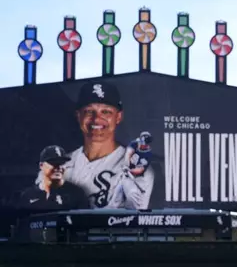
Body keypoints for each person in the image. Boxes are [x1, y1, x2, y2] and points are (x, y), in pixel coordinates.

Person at [63, 81, 154, 209]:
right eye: (89, 111)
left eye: (106, 112)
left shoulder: (137, 167)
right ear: (78, 116)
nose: (96, 119)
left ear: (118, 116)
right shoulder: (60, 165)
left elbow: (134, 219)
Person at [18, 145, 88, 212]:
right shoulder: (28, 195)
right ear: (41, 165)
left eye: (62, 163)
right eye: (54, 163)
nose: (59, 167)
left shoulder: (76, 194)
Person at [107, 131, 154, 209]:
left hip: (138, 178)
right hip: (127, 172)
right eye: (141, 142)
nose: (141, 144)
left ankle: (136, 211)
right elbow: (128, 153)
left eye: (144, 143)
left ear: (147, 144)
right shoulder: (135, 143)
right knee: (119, 188)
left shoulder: (148, 154)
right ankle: (112, 207)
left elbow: (140, 170)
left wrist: (130, 171)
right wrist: (126, 164)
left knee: (133, 196)